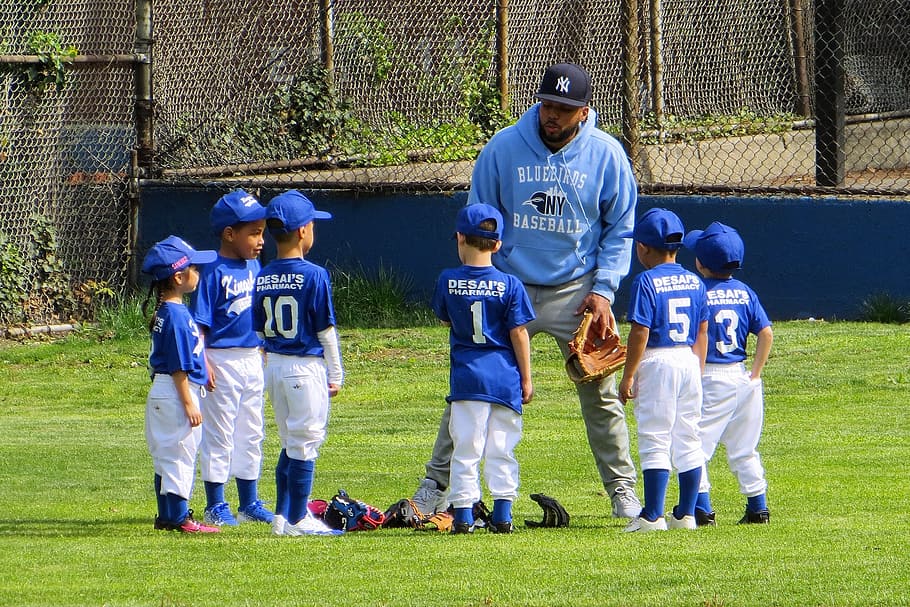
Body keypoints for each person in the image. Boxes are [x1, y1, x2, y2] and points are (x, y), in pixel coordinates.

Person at [413, 62, 642, 520]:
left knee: (600, 392)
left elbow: (619, 228)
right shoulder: (503, 148)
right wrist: (486, 282)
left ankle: (622, 492)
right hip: (507, 285)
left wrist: (604, 290)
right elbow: (479, 215)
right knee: (472, 388)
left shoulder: (606, 154)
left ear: (584, 111)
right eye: (547, 104)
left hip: (575, 292)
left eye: (564, 108)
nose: (552, 115)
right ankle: (434, 487)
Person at [432, 204, 536, 534]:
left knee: (466, 448)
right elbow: (519, 332)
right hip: (504, 378)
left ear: (460, 238)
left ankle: (463, 516)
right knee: (502, 447)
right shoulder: (511, 284)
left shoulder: (448, 279)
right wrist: (527, 377)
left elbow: (445, 317)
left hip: (467, 379)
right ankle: (503, 514)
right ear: (498, 244)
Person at [252, 190, 344, 537]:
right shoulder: (314, 274)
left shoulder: (262, 275)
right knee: (306, 442)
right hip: (305, 366)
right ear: (304, 230)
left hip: (274, 364)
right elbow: (325, 330)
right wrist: (336, 373)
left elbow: (259, 330)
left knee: (290, 441)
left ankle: (280, 515)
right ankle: (298, 518)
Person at [617, 208, 708, 532]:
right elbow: (702, 331)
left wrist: (628, 375)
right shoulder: (695, 281)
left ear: (642, 247)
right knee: (687, 436)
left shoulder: (645, 281)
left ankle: (653, 515)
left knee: (655, 435)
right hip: (687, 358)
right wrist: (697, 367)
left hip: (657, 361)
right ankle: (685, 514)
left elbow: (640, 331)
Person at [190, 190, 274, 527]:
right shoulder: (212, 269)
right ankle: (216, 503)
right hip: (221, 359)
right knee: (221, 432)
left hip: (252, 357)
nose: (261, 241)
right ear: (229, 234)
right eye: (253, 233)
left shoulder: (255, 264)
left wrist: (264, 343)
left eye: (262, 232)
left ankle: (250, 501)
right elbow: (200, 323)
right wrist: (203, 362)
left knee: (251, 431)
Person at [682, 222, 773, 525]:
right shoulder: (745, 292)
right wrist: (756, 373)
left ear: (700, 263)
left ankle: (702, 508)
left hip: (710, 375)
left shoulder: (697, 291)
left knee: (694, 444)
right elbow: (766, 333)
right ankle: (758, 506)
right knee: (744, 447)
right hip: (743, 376)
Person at [141, 235, 220, 534]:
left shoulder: (168, 311)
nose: (198, 274)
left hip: (163, 393)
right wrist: (188, 401)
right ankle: (178, 518)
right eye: (194, 269)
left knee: (165, 456)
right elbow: (178, 364)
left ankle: (166, 516)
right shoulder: (175, 314)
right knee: (179, 455)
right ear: (178, 276)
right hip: (175, 393)